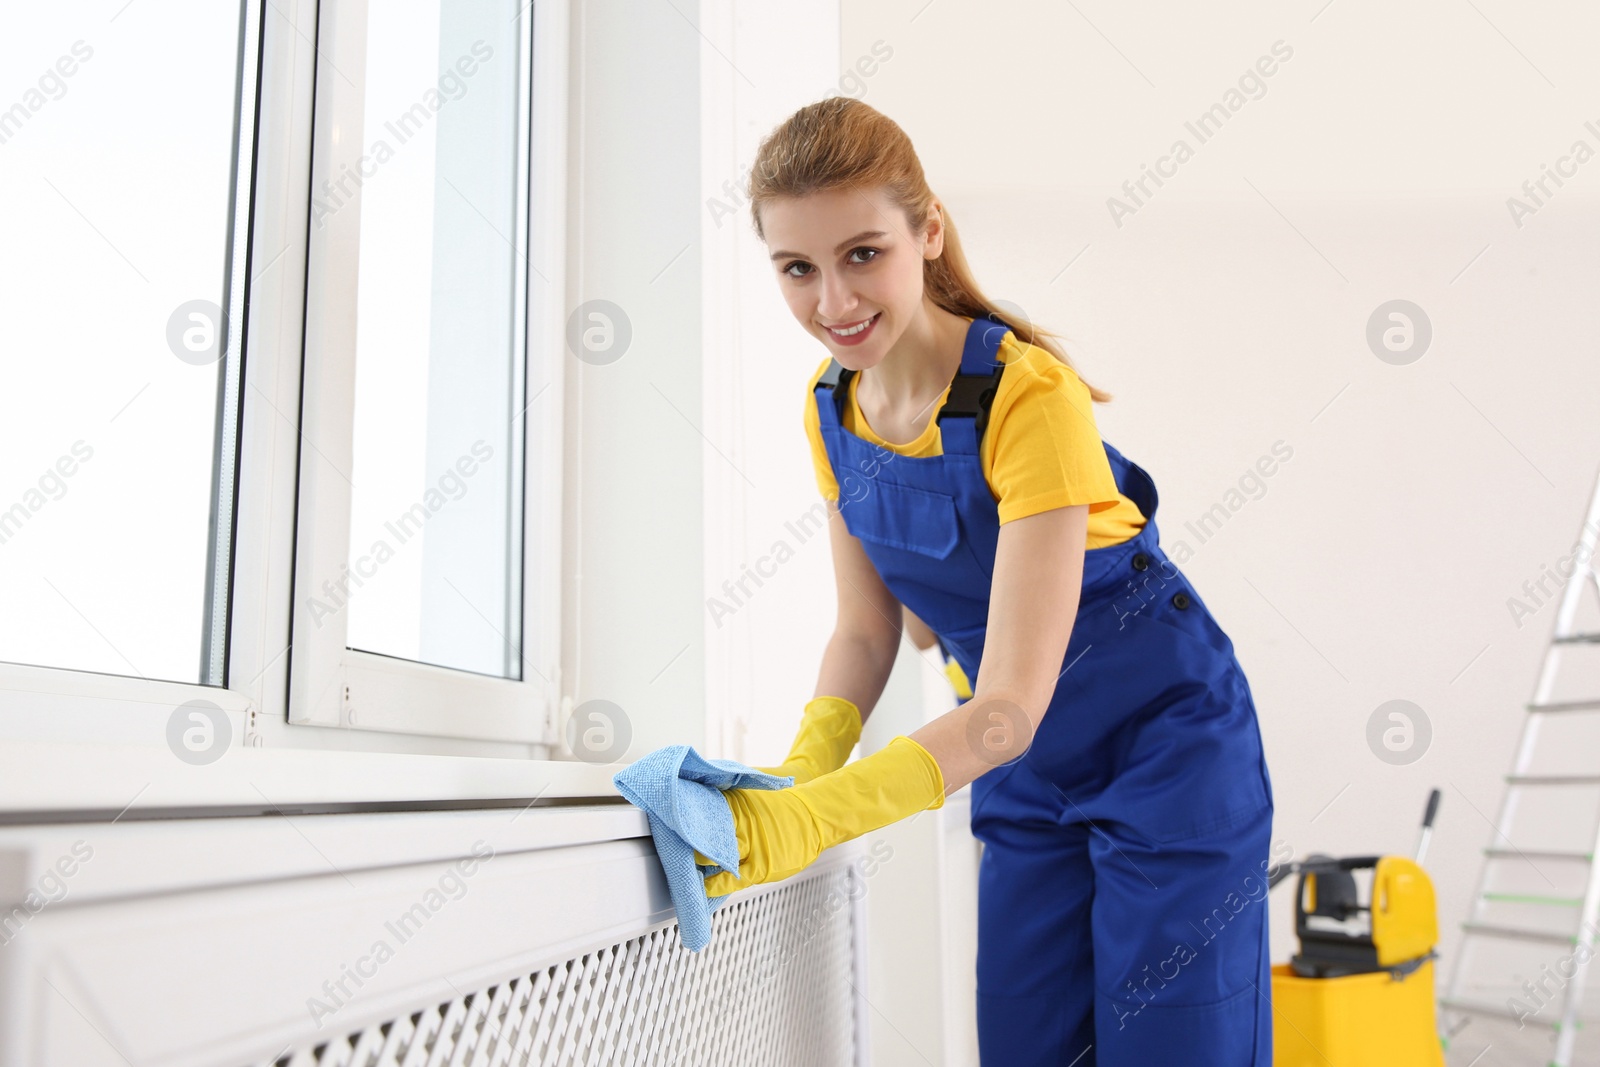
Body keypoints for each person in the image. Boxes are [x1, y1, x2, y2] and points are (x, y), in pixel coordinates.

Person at [700, 97, 1275, 1065]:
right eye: (796, 268)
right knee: (1026, 1042)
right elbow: (867, 633)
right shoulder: (831, 407)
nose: (832, 302)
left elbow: (1007, 697)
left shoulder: (1026, 394)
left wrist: (815, 819)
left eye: (862, 253)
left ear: (926, 231)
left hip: (1164, 753)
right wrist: (802, 767)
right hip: (1021, 769)